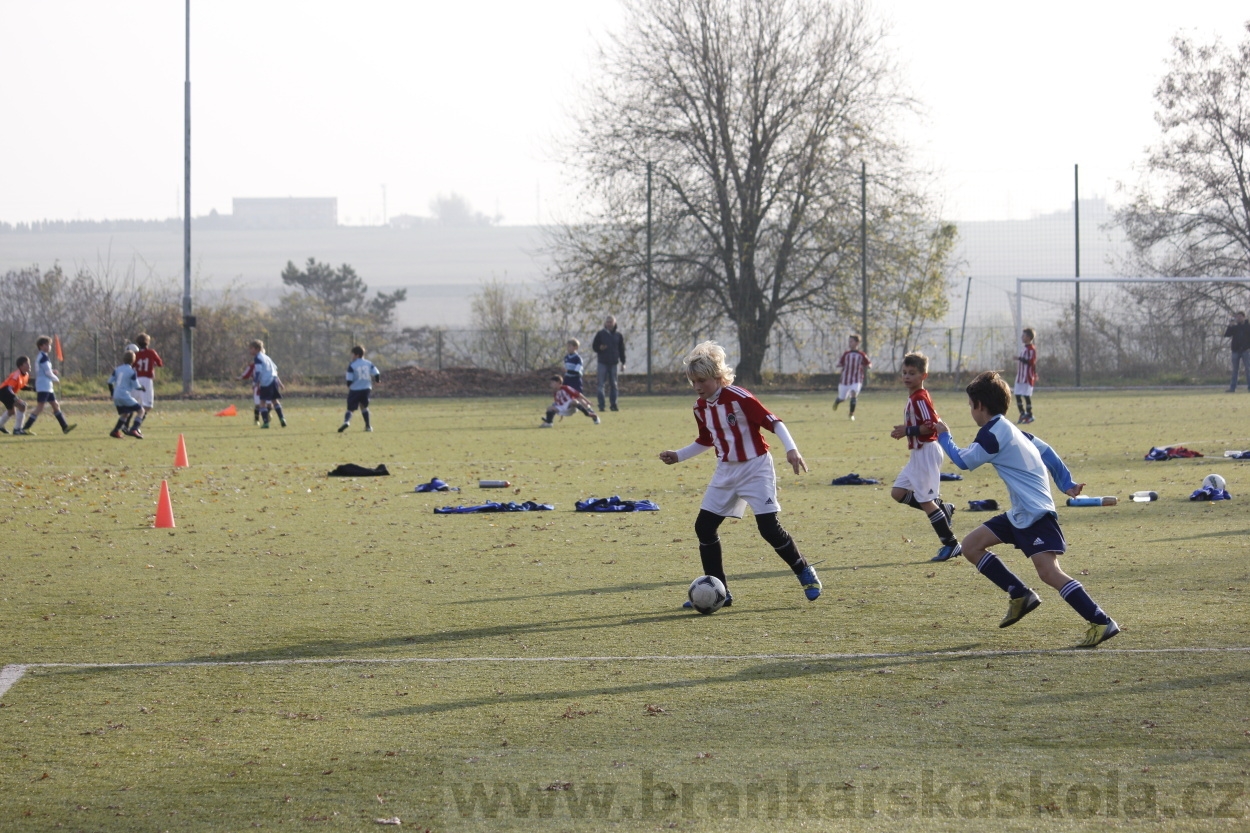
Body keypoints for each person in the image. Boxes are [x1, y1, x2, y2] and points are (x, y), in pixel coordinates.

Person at [934, 370, 1119, 647]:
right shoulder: (1013, 430)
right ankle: (1019, 593)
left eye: (970, 405)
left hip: (1035, 514)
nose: (971, 410)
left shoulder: (993, 435)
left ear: (979, 406)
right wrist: (1065, 482)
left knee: (1049, 572)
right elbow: (1047, 452)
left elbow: (963, 461)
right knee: (971, 545)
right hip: (1021, 513)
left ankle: (1101, 620)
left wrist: (944, 437)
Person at [658, 341, 821, 607]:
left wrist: (792, 450)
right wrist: (679, 455)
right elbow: (706, 439)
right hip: (726, 472)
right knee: (704, 527)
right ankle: (720, 593)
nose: (697, 387)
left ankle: (804, 570)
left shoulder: (739, 397)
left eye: (702, 380)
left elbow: (775, 422)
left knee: (769, 529)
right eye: (693, 382)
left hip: (756, 469)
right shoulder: (700, 407)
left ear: (717, 376)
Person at [889, 352, 960, 562]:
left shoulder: (920, 397)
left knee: (927, 501)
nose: (907, 377)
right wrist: (907, 430)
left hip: (927, 451)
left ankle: (951, 544)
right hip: (918, 454)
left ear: (923, 376)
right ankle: (942, 509)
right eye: (904, 372)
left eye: (912, 373)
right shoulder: (915, 396)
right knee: (898, 492)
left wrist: (907, 431)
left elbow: (930, 426)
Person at [18, 336, 76, 435]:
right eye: (47, 344)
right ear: (41, 346)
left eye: (49, 345)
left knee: (55, 405)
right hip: (43, 385)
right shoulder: (43, 357)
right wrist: (55, 378)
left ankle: (65, 427)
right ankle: (25, 428)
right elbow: (47, 372)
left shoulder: (43, 356)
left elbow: (45, 371)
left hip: (47, 386)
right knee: (40, 407)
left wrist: (52, 372)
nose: (49, 346)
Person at [339, 345, 380, 433]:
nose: (352, 356)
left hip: (355, 389)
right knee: (364, 407)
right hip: (366, 388)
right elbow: (376, 373)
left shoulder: (352, 365)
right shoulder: (368, 363)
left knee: (350, 408)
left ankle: (346, 421)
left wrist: (349, 385)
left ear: (357, 355)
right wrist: (377, 380)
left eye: (353, 354)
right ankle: (368, 426)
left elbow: (349, 379)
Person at [107, 350, 145, 438]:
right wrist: (142, 387)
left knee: (125, 413)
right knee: (141, 411)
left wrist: (112, 392)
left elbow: (109, 382)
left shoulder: (117, 369)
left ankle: (115, 431)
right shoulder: (131, 371)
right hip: (124, 395)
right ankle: (134, 429)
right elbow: (136, 386)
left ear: (123, 359)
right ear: (133, 360)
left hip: (116, 395)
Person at [248, 339, 286, 428]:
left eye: (251, 348)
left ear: (256, 349)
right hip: (274, 380)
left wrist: (255, 382)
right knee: (275, 401)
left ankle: (266, 423)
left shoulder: (257, 358)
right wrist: (279, 383)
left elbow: (258, 372)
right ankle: (282, 419)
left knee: (262, 402)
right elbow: (275, 369)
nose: (250, 351)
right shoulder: (267, 357)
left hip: (266, 382)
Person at [592, 315, 626, 412]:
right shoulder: (600, 334)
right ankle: (601, 406)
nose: (609, 324)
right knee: (600, 385)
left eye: (611, 322)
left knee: (614, 385)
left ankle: (614, 405)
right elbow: (594, 347)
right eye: (608, 322)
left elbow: (621, 350)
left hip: (613, 363)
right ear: (605, 323)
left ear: (614, 323)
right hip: (602, 363)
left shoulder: (618, 336)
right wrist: (600, 348)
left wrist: (623, 362)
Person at [833, 333, 871, 420]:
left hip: (856, 379)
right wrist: (838, 365)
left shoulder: (861, 354)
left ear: (857, 343)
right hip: (845, 380)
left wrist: (869, 366)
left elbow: (868, 363)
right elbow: (840, 363)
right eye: (849, 341)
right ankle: (837, 401)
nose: (849, 343)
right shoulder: (846, 354)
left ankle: (851, 414)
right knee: (843, 398)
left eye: (851, 341)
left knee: (854, 394)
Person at [133, 333, 163, 417]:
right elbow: (160, 363)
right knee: (148, 406)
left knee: (135, 404)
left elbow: (132, 366)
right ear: (148, 342)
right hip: (147, 379)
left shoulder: (136, 354)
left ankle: (127, 423)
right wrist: (152, 364)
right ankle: (136, 425)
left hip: (137, 379)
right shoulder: (151, 352)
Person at [0, 356, 32, 435]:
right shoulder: (16, 375)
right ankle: (17, 429)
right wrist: (15, 398)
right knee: (22, 406)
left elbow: (21, 386)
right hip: (4, 392)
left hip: (6, 392)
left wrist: (33, 389)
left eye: (29, 363)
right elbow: (9, 388)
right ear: (21, 366)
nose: (29, 365)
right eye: (26, 363)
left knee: (11, 412)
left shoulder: (26, 375)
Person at [1014, 327, 1037, 423]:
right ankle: (1023, 414)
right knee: (1017, 394)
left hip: (1027, 377)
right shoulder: (1025, 348)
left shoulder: (1031, 349)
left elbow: (1032, 362)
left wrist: (1019, 358)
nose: (1021, 337)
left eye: (1023, 336)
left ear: (1028, 337)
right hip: (1020, 377)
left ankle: (1030, 415)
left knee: (1026, 395)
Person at [1224, 311, 1250, 392]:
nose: (1238, 318)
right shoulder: (1235, 327)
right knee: (1235, 370)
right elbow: (1227, 335)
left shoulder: (1248, 326)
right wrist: (1230, 326)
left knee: (1248, 369)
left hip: (1246, 351)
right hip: (1235, 351)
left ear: (1244, 317)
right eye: (1237, 317)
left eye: (1240, 317)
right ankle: (1232, 388)